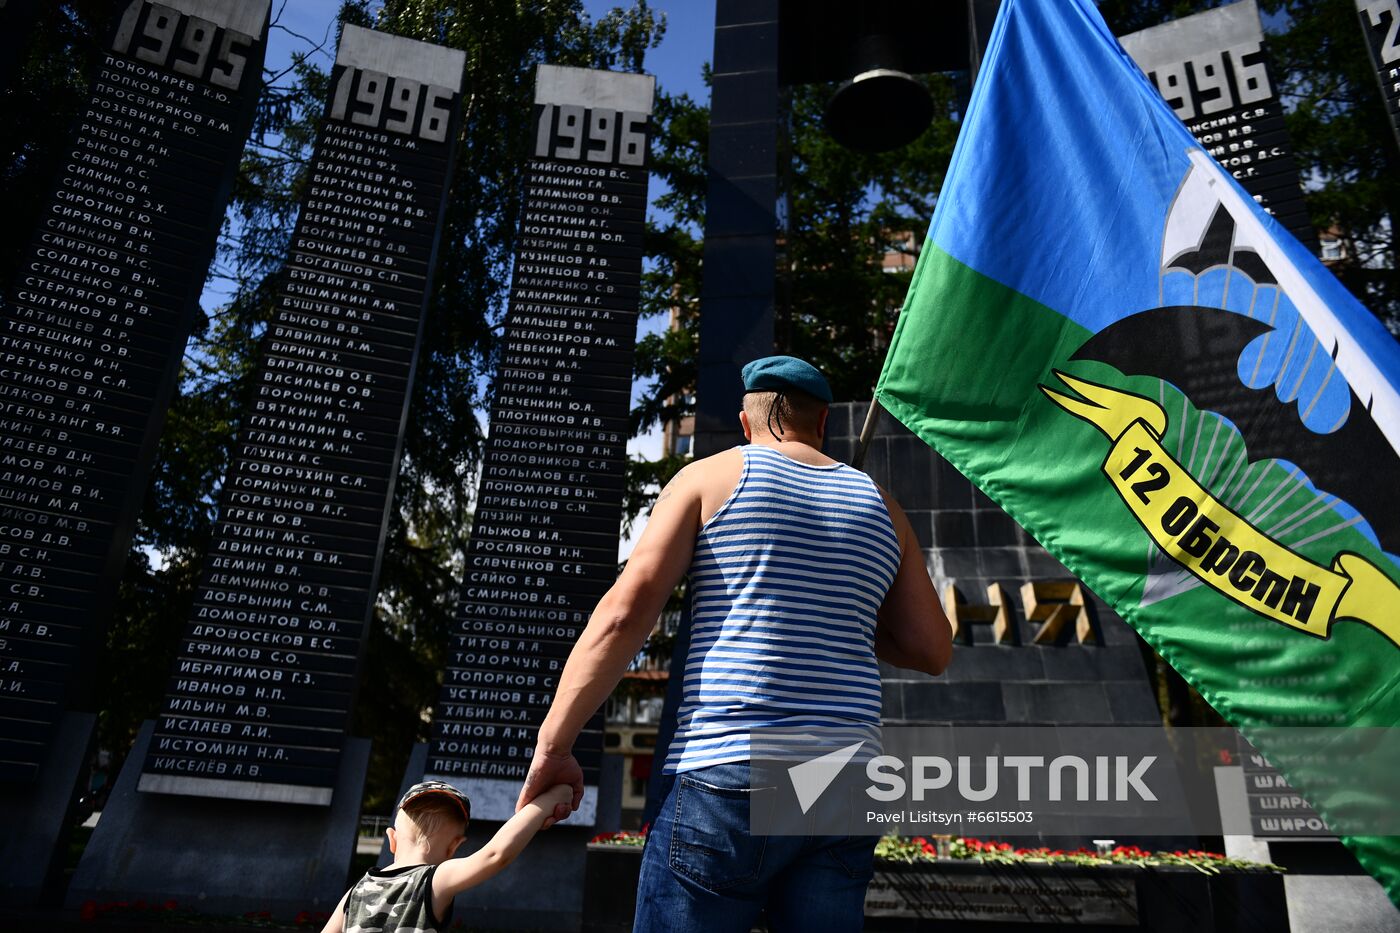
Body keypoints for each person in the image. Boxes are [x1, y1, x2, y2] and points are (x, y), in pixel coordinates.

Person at [516, 355, 953, 931]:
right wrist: (838, 610)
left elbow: (623, 617)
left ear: (746, 423)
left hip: (733, 764)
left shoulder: (708, 477)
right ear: (823, 423)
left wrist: (554, 745)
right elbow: (931, 649)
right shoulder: (883, 507)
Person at [320, 779, 573, 933]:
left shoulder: (357, 891)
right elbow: (495, 854)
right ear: (454, 847)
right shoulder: (433, 880)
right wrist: (550, 798)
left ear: (391, 839)